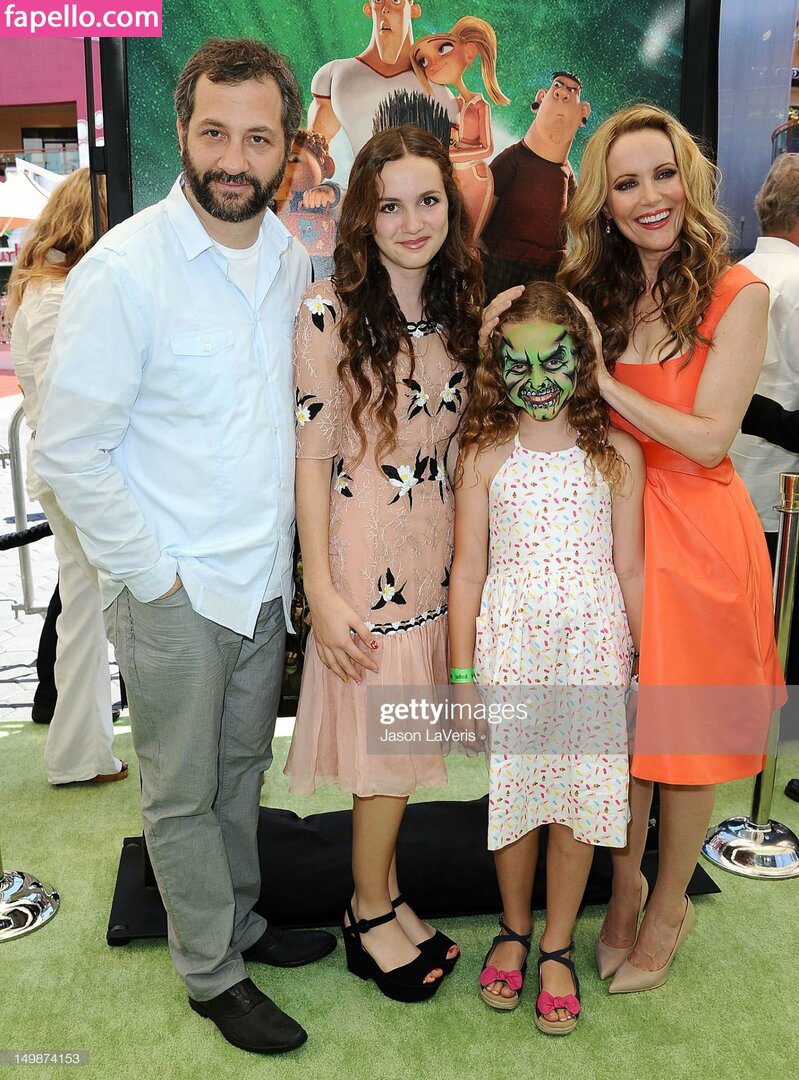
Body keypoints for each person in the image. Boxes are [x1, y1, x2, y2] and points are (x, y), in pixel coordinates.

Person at [34, 38, 335, 1056]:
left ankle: (238, 924)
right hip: (174, 593)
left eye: (257, 138)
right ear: (182, 132)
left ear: (287, 148)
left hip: (259, 581)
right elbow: (70, 450)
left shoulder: (288, 256)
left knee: (242, 768)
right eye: (215, 133)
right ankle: (211, 972)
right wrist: (153, 579)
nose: (234, 159)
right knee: (179, 790)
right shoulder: (125, 270)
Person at [553, 103, 783, 993]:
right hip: (609, 529)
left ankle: (667, 907)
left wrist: (603, 378)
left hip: (697, 541)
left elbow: (709, 438)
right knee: (624, 735)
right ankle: (624, 888)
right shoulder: (602, 293)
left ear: (688, 182)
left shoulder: (738, 293)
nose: (648, 196)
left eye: (661, 175)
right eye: (625, 182)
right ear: (604, 203)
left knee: (682, 745)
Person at [284, 125, 483, 1001]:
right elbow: (310, 458)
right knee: (385, 754)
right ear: (362, 215)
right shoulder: (325, 310)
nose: (412, 222)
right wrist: (319, 589)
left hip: (437, 560)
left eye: (428, 200)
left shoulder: (461, 306)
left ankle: (388, 893)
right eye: (390, 205)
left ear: (450, 207)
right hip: (365, 568)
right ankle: (367, 915)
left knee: (399, 752)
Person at [449, 282, 644, 1033]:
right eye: (518, 361)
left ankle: (558, 943)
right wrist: (462, 681)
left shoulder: (617, 454)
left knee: (577, 802)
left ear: (583, 361)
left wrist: (648, 666)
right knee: (519, 798)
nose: (536, 379)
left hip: (592, 654)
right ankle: (514, 929)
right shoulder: (483, 456)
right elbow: (467, 570)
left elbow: (630, 569)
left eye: (553, 360)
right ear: (496, 364)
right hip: (514, 653)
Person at [8, 168, 126, 786]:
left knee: (83, 613)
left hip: (62, 474)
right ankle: (92, 753)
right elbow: (73, 409)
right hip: (80, 478)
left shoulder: (43, 290)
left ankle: (78, 755)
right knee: (118, 615)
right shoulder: (60, 296)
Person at [730, 153, 799, 685]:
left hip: (730, 492)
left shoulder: (732, 276)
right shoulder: (796, 283)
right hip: (784, 507)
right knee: (781, 647)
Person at [480, 72, 590, 299]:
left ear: (583, 113)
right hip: (502, 262)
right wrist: (477, 244)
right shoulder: (513, 159)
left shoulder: (567, 174)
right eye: (558, 86)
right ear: (540, 98)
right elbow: (484, 206)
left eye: (572, 91)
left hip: (548, 272)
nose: (563, 94)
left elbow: (579, 217)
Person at [308, 0, 458, 159]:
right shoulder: (334, 77)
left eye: (396, 1)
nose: (386, 9)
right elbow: (310, 156)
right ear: (368, 9)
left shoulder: (440, 94)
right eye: (379, 1)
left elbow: (456, 166)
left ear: (414, 10)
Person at [411, 15, 509, 240]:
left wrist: (451, 154)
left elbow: (487, 148)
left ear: (469, 52)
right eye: (423, 61)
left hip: (474, 176)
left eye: (443, 49)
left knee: (469, 236)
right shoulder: (452, 104)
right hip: (451, 174)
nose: (432, 64)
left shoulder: (480, 105)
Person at [273, 129, 344, 279]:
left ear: (327, 166)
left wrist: (331, 192)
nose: (284, 169)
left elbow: (353, 204)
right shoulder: (275, 202)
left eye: (295, 159)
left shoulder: (328, 197)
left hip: (326, 284)